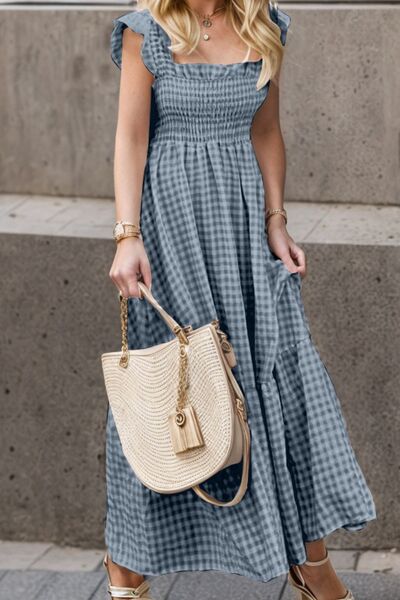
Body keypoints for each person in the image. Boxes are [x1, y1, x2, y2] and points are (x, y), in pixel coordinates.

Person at [103, 1, 376, 598]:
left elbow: (266, 130)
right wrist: (128, 236)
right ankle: (126, 564)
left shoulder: (266, 26)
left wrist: (277, 220)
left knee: (282, 378)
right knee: (173, 389)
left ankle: (310, 558)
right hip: (173, 229)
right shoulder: (143, 33)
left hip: (246, 229)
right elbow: (130, 137)